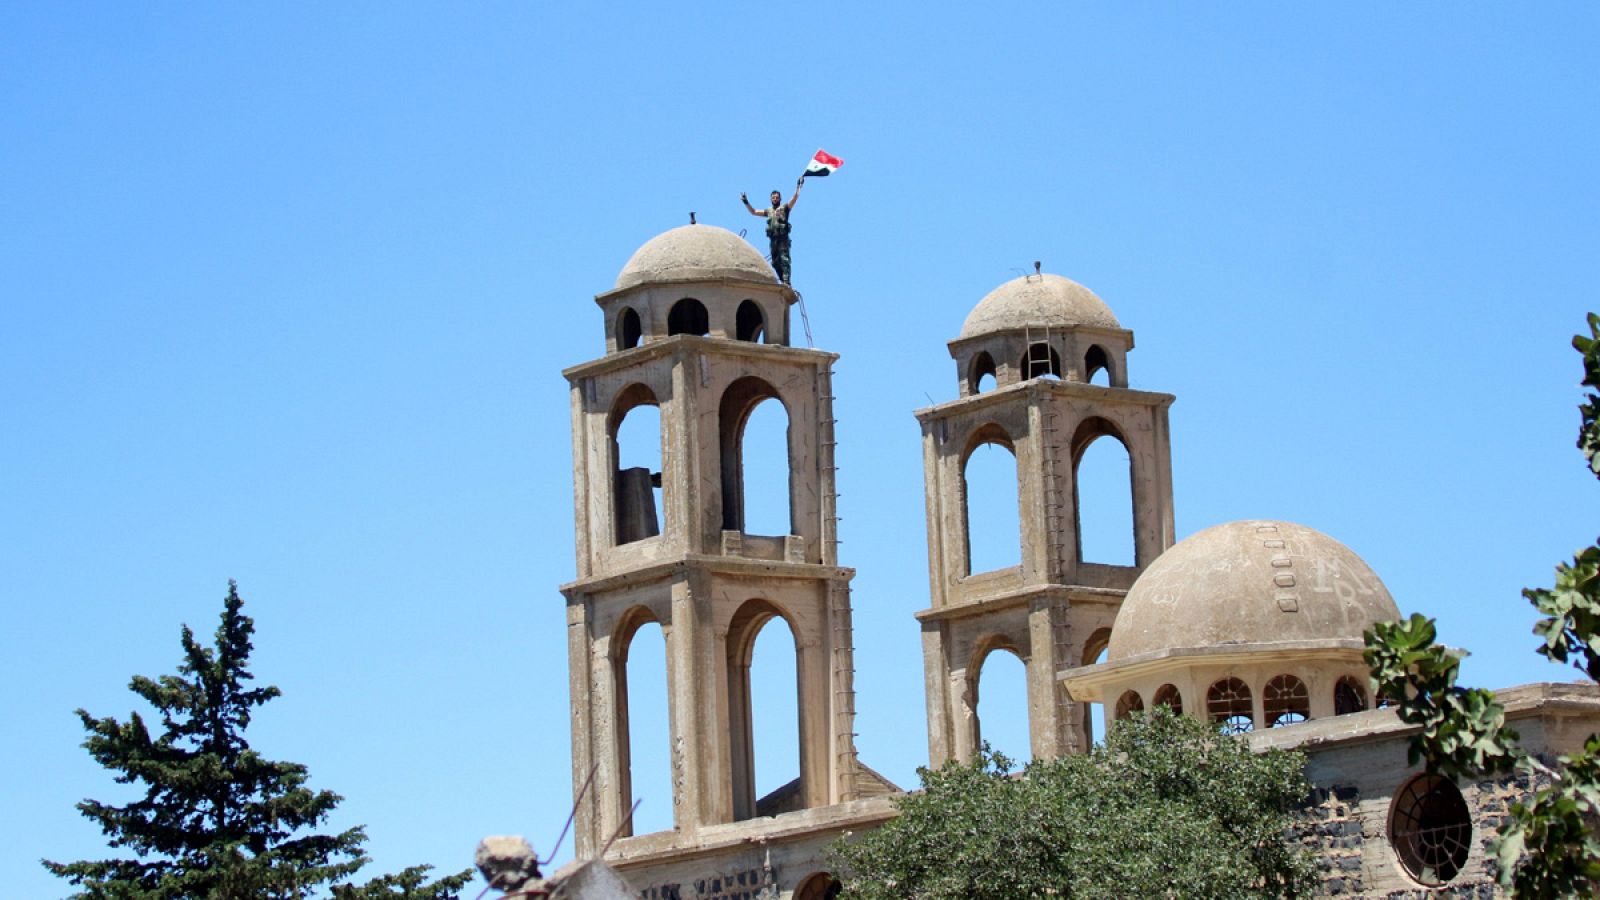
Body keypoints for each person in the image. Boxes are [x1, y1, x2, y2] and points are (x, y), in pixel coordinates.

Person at [742, 179, 802, 285]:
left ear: (780, 199)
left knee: (784, 260)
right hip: (773, 240)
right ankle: (782, 280)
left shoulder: (784, 208)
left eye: (777, 197)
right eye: (773, 198)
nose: (775, 199)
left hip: (782, 239)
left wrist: (798, 187)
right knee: (775, 262)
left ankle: (787, 281)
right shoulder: (769, 211)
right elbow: (754, 212)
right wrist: (746, 202)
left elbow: (795, 198)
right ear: (770, 199)